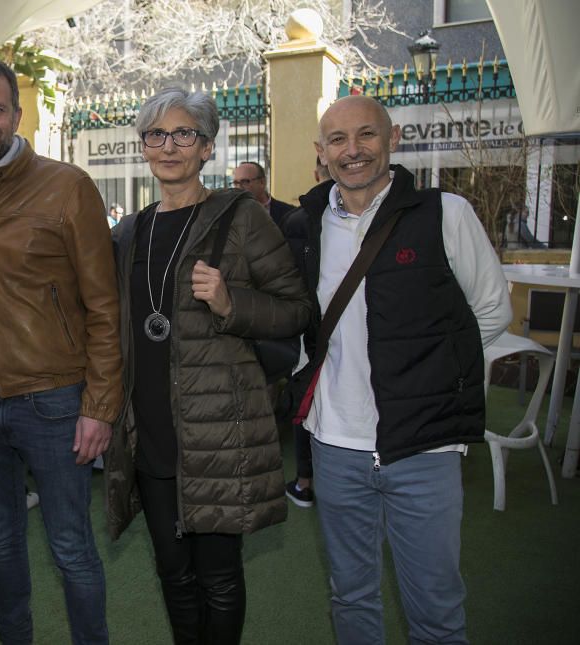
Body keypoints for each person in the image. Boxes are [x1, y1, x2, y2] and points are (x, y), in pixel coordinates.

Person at [282, 95, 512, 644]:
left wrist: (437, 378)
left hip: (424, 448)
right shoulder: (304, 224)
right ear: (321, 153)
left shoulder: (444, 213)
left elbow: (492, 310)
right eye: (337, 140)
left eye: (366, 135)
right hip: (335, 447)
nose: (353, 150)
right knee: (351, 597)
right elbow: (299, 323)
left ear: (393, 140)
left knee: (435, 606)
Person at [104, 88, 311, 644]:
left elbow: (296, 310)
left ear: (207, 148)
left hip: (218, 432)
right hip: (149, 431)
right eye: (156, 135)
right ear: (143, 147)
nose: (169, 146)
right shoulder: (128, 233)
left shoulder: (242, 219)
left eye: (184, 134)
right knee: (174, 573)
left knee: (218, 577)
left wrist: (230, 304)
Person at [0, 58, 121, 645]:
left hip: (55, 402)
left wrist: (99, 405)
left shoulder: (67, 186)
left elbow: (103, 305)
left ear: (18, 117)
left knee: (71, 546)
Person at [281, 154, 334, 510]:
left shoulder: (297, 218)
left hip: (311, 336)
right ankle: (308, 481)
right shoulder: (299, 219)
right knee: (309, 409)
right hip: (311, 336)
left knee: (307, 407)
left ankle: (306, 481)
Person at [232, 161, 293, 228]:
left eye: (245, 182)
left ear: (262, 182)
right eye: (236, 183)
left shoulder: (289, 214)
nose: (239, 187)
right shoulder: (229, 214)